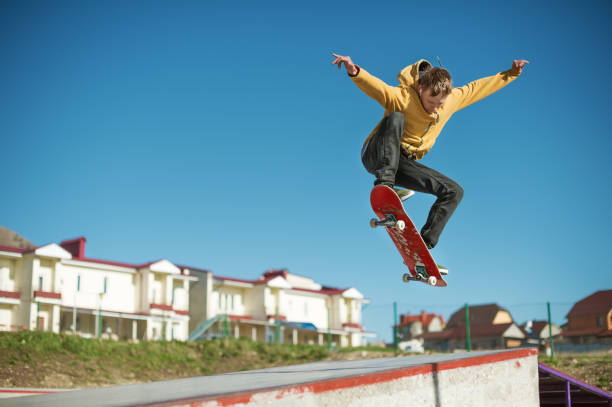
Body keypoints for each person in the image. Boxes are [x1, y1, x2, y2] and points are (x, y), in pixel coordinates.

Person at [332, 53, 528, 249]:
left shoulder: (452, 100)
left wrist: (511, 74)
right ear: (420, 89)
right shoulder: (402, 97)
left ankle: (423, 246)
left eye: (439, 104)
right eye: (430, 102)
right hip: (377, 154)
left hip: (402, 164)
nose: (434, 109)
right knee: (396, 118)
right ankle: (385, 186)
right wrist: (354, 71)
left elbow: (477, 88)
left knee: (453, 191)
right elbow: (377, 88)